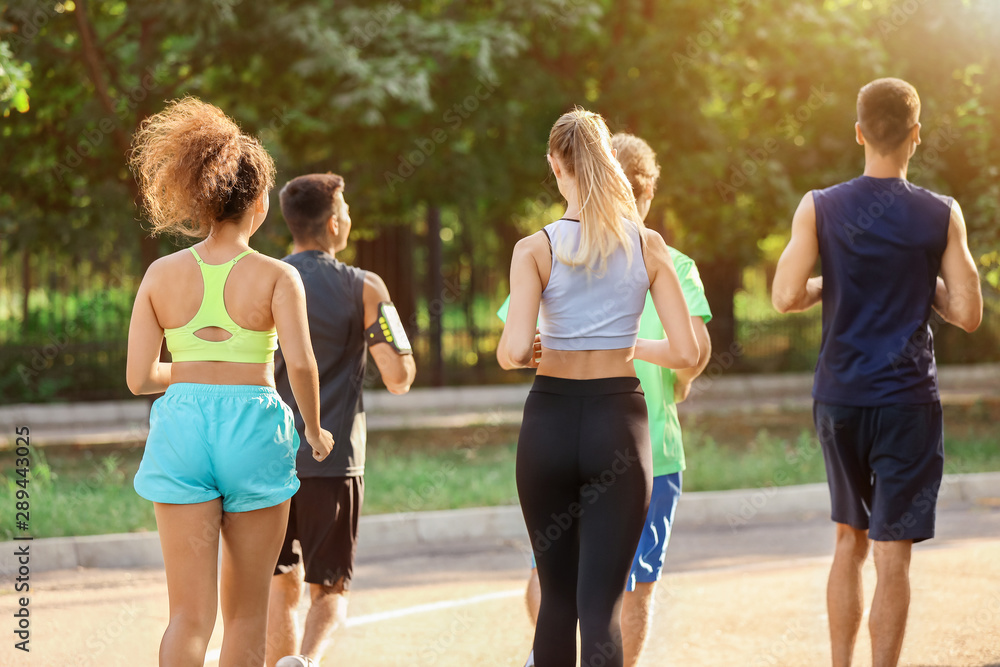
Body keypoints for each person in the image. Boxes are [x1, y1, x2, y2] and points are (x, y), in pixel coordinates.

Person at [771, 78, 982, 667]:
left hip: (840, 397)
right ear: (916, 136)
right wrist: (924, 281)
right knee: (894, 554)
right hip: (908, 402)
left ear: (859, 132)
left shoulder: (819, 205)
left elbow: (785, 295)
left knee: (848, 540)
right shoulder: (941, 213)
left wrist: (827, 283)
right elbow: (967, 313)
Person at [127, 97, 334, 667]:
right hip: (254, 430)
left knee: (188, 618)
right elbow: (303, 365)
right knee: (246, 616)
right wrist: (315, 431)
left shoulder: (160, 275)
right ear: (261, 202)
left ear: (200, 199)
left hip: (183, 428)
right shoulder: (277, 275)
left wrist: (194, 372)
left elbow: (140, 378)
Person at [498, 108, 700, 667]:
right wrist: (626, 345)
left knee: (557, 602)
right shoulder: (648, 245)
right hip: (619, 423)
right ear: (608, 160)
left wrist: (536, 344)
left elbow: (515, 352)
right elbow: (687, 353)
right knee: (602, 608)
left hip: (549, 425)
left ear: (554, 165)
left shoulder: (534, 249)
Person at [266, 173, 417, 667]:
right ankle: (306, 661)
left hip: (266, 459)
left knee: (278, 580)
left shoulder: (264, 280)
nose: (349, 218)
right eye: (346, 210)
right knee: (329, 587)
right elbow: (399, 376)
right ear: (333, 224)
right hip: (334, 463)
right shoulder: (366, 288)